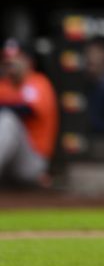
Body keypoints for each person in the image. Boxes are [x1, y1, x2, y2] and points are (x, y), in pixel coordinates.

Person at [0, 39, 58, 188]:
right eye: (7, 59)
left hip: (32, 161)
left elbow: (28, 110)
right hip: (8, 163)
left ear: (28, 61)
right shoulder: (3, 86)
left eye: (15, 58)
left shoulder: (38, 82)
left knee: (8, 120)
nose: (10, 63)